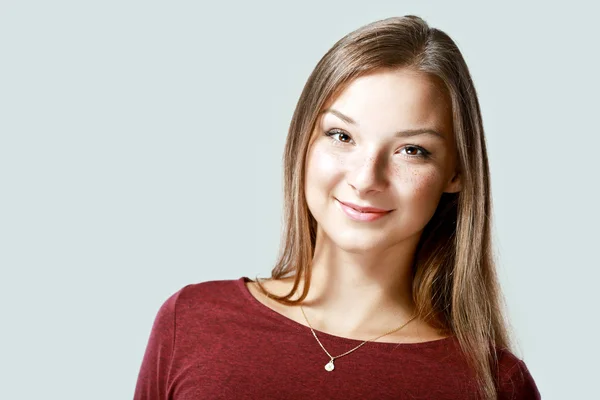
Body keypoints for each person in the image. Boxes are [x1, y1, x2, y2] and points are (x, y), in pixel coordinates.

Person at [134, 15, 541, 400]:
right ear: (303, 142)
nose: (366, 179)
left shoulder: (493, 384)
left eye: (412, 150)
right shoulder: (192, 322)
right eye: (342, 135)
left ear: (456, 172)